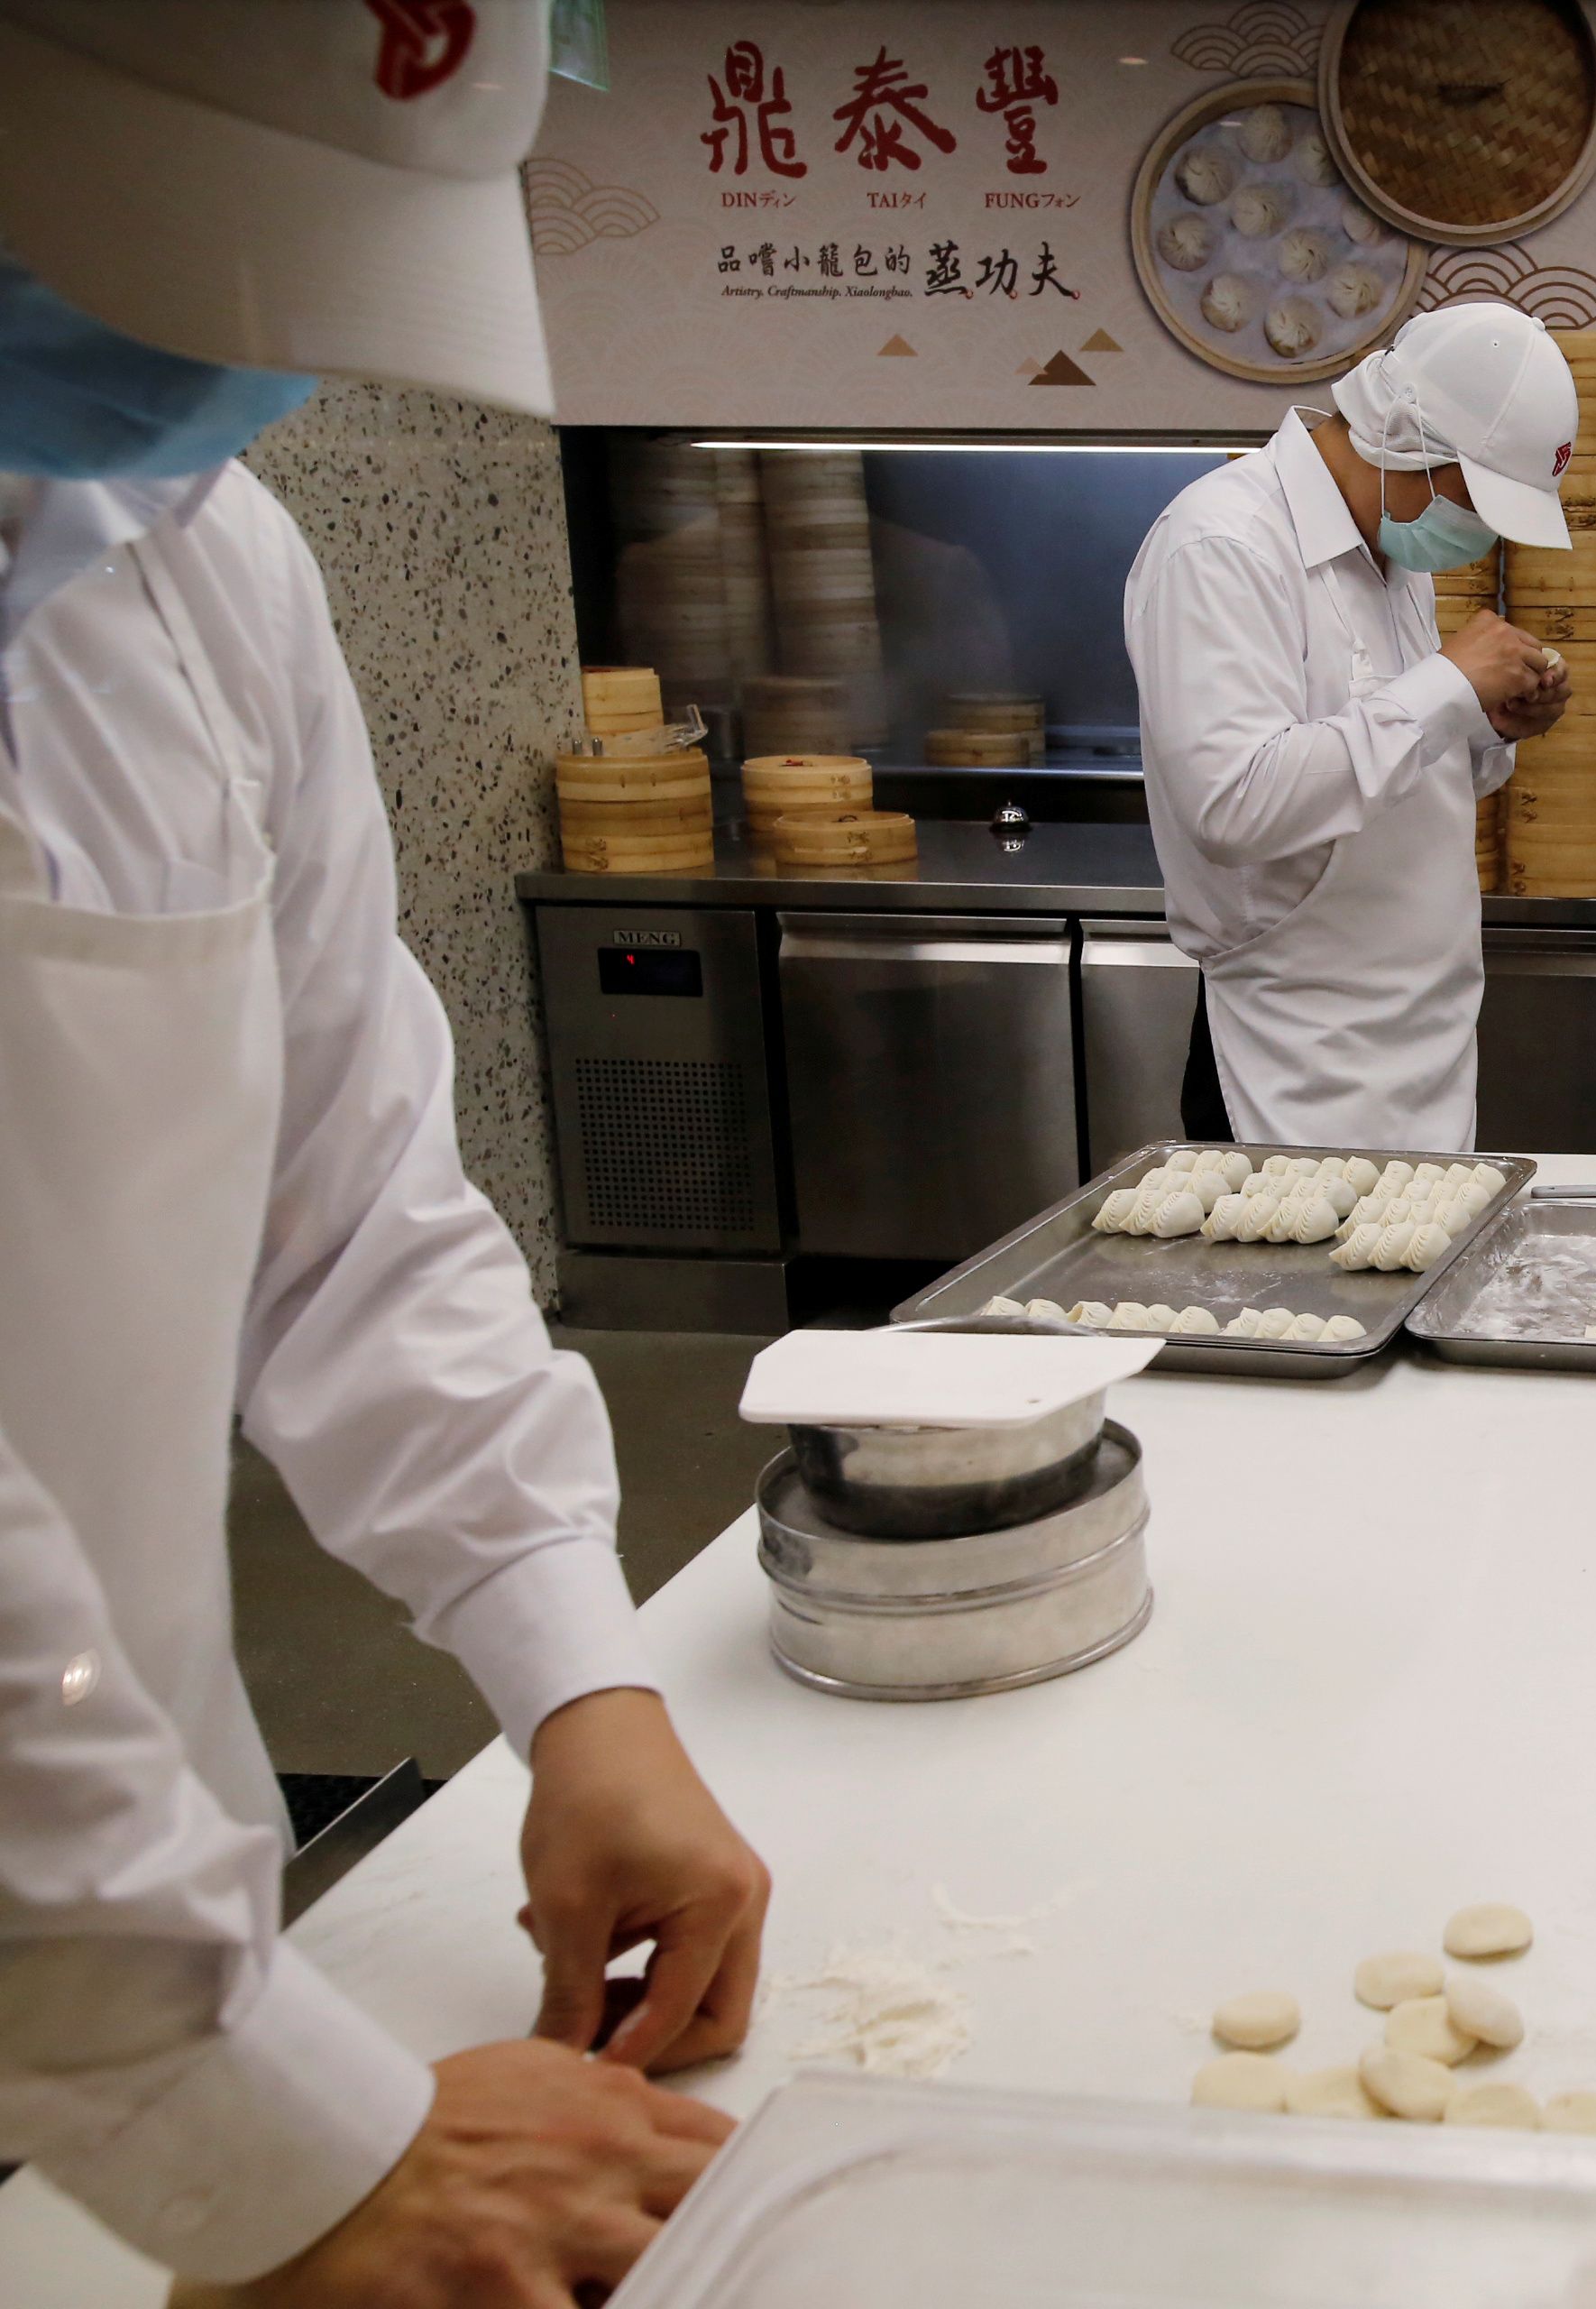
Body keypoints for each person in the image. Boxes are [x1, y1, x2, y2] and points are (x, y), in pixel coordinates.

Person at [0, 5, 772, 2300]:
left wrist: (574, 1671)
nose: (213, 372)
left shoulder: (190, 572)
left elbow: (347, 1201)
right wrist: (247, 2122)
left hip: (134, 1911)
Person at [1128, 302, 1575, 1150]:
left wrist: (1490, 727)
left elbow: (1394, 770)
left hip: (1421, 1042)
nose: (1477, 533)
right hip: (1289, 1048)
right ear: (1405, 439)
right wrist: (1447, 685)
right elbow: (1232, 807)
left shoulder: (1395, 550)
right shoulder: (1222, 543)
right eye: (1476, 499)